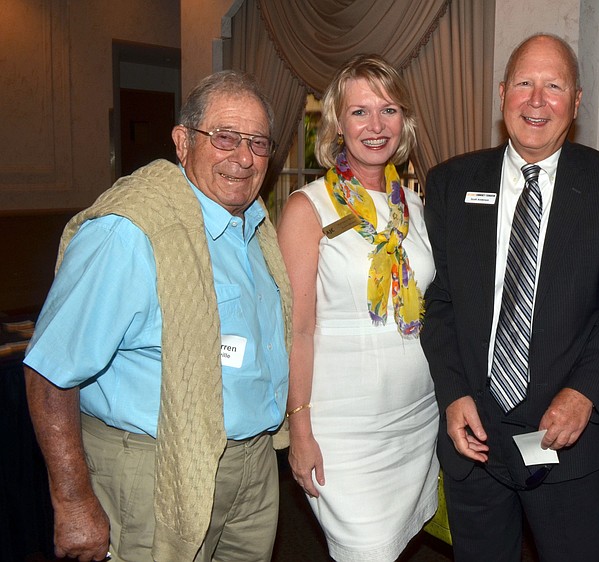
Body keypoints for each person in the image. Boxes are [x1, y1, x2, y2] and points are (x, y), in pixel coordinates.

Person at [23, 70, 292, 562]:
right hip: (152, 469)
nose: (244, 158)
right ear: (183, 141)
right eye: (225, 137)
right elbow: (48, 372)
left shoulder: (254, 229)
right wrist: (72, 499)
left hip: (251, 470)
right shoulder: (129, 233)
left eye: (258, 143)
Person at [422, 33, 599, 561]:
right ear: (502, 93)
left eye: (554, 86)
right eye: (524, 83)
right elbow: (442, 302)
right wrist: (453, 395)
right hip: (473, 440)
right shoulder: (451, 182)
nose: (537, 101)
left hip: (567, 440)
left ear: (577, 101)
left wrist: (585, 392)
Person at [277, 54, 438, 562]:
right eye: (359, 112)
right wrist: (298, 431)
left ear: (404, 122)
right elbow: (297, 331)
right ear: (337, 124)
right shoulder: (309, 208)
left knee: (400, 544)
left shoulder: (414, 206)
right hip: (344, 429)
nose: (375, 125)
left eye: (388, 110)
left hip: (417, 417)